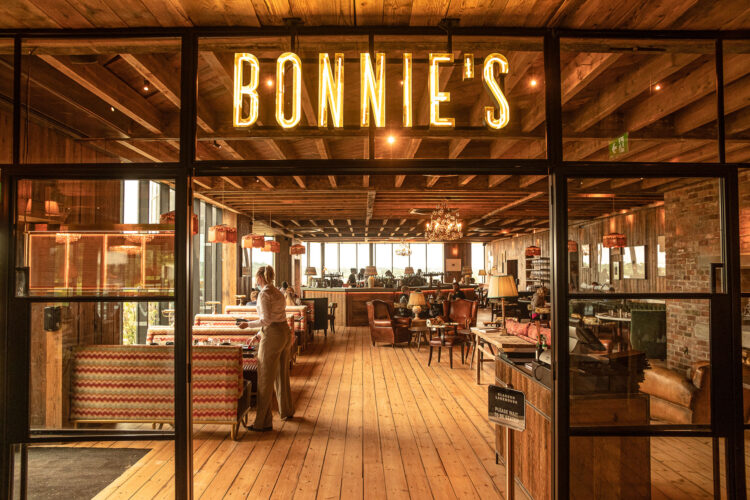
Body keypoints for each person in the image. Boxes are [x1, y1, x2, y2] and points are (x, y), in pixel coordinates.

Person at [238, 265, 294, 431]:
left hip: (273, 336)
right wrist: (258, 335)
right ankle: (286, 410)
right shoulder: (278, 292)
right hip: (284, 333)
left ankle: (263, 422)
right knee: (282, 375)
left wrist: (247, 325)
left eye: (256, 278)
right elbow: (276, 318)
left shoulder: (263, 294)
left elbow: (266, 320)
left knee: (264, 378)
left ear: (260, 278)